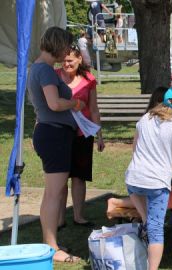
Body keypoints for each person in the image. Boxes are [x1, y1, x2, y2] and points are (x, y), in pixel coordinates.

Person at [27, 26, 85, 263]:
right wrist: (74, 104)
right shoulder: (46, 71)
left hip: (49, 133)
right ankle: (52, 247)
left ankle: (49, 243)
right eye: (67, 47)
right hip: (54, 134)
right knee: (53, 194)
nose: (67, 52)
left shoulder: (37, 68)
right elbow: (53, 104)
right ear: (58, 45)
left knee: (51, 193)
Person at [125, 86, 172, 269]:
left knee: (148, 220)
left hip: (133, 179)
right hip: (156, 183)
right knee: (156, 230)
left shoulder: (144, 119)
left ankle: (144, 225)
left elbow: (135, 149)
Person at [56, 44, 105, 228]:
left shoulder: (88, 79)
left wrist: (99, 134)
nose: (66, 64)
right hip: (60, 133)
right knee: (59, 178)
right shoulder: (54, 77)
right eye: (64, 60)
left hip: (83, 133)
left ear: (79, 60)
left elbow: (93, 109)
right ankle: (59, 218)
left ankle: (78, 216)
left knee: (79, 176)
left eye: (70, 60)